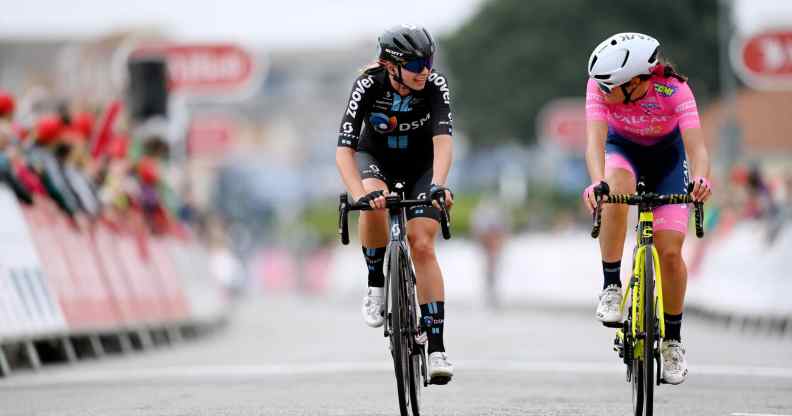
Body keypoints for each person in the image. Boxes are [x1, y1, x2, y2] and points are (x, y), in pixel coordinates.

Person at [582, 33, 712, 385]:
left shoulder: (675, 91)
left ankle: (672, 341)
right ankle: (611, 286)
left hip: (668, 162)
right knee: (615, 187)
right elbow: (594, 142)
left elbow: (697, 149)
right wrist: (597, 183)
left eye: (611, 87)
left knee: (669, 253)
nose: (602, 91)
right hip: (622, 153)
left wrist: (700, 181)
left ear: (637, 81)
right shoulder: (599, 87)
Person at [335, 24, 454, 384]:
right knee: (373, 199)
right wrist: (358, 193)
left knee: (421, 243)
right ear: (392, 65)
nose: (425, 70)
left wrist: (438, 185)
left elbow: (443, 142)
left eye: (429, 61)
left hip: (421, 166)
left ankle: (436, 348)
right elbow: (345, 150)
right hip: (376, 160)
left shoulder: (435, 85)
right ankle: (375, 282)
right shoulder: (368, 85)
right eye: (416, 64)